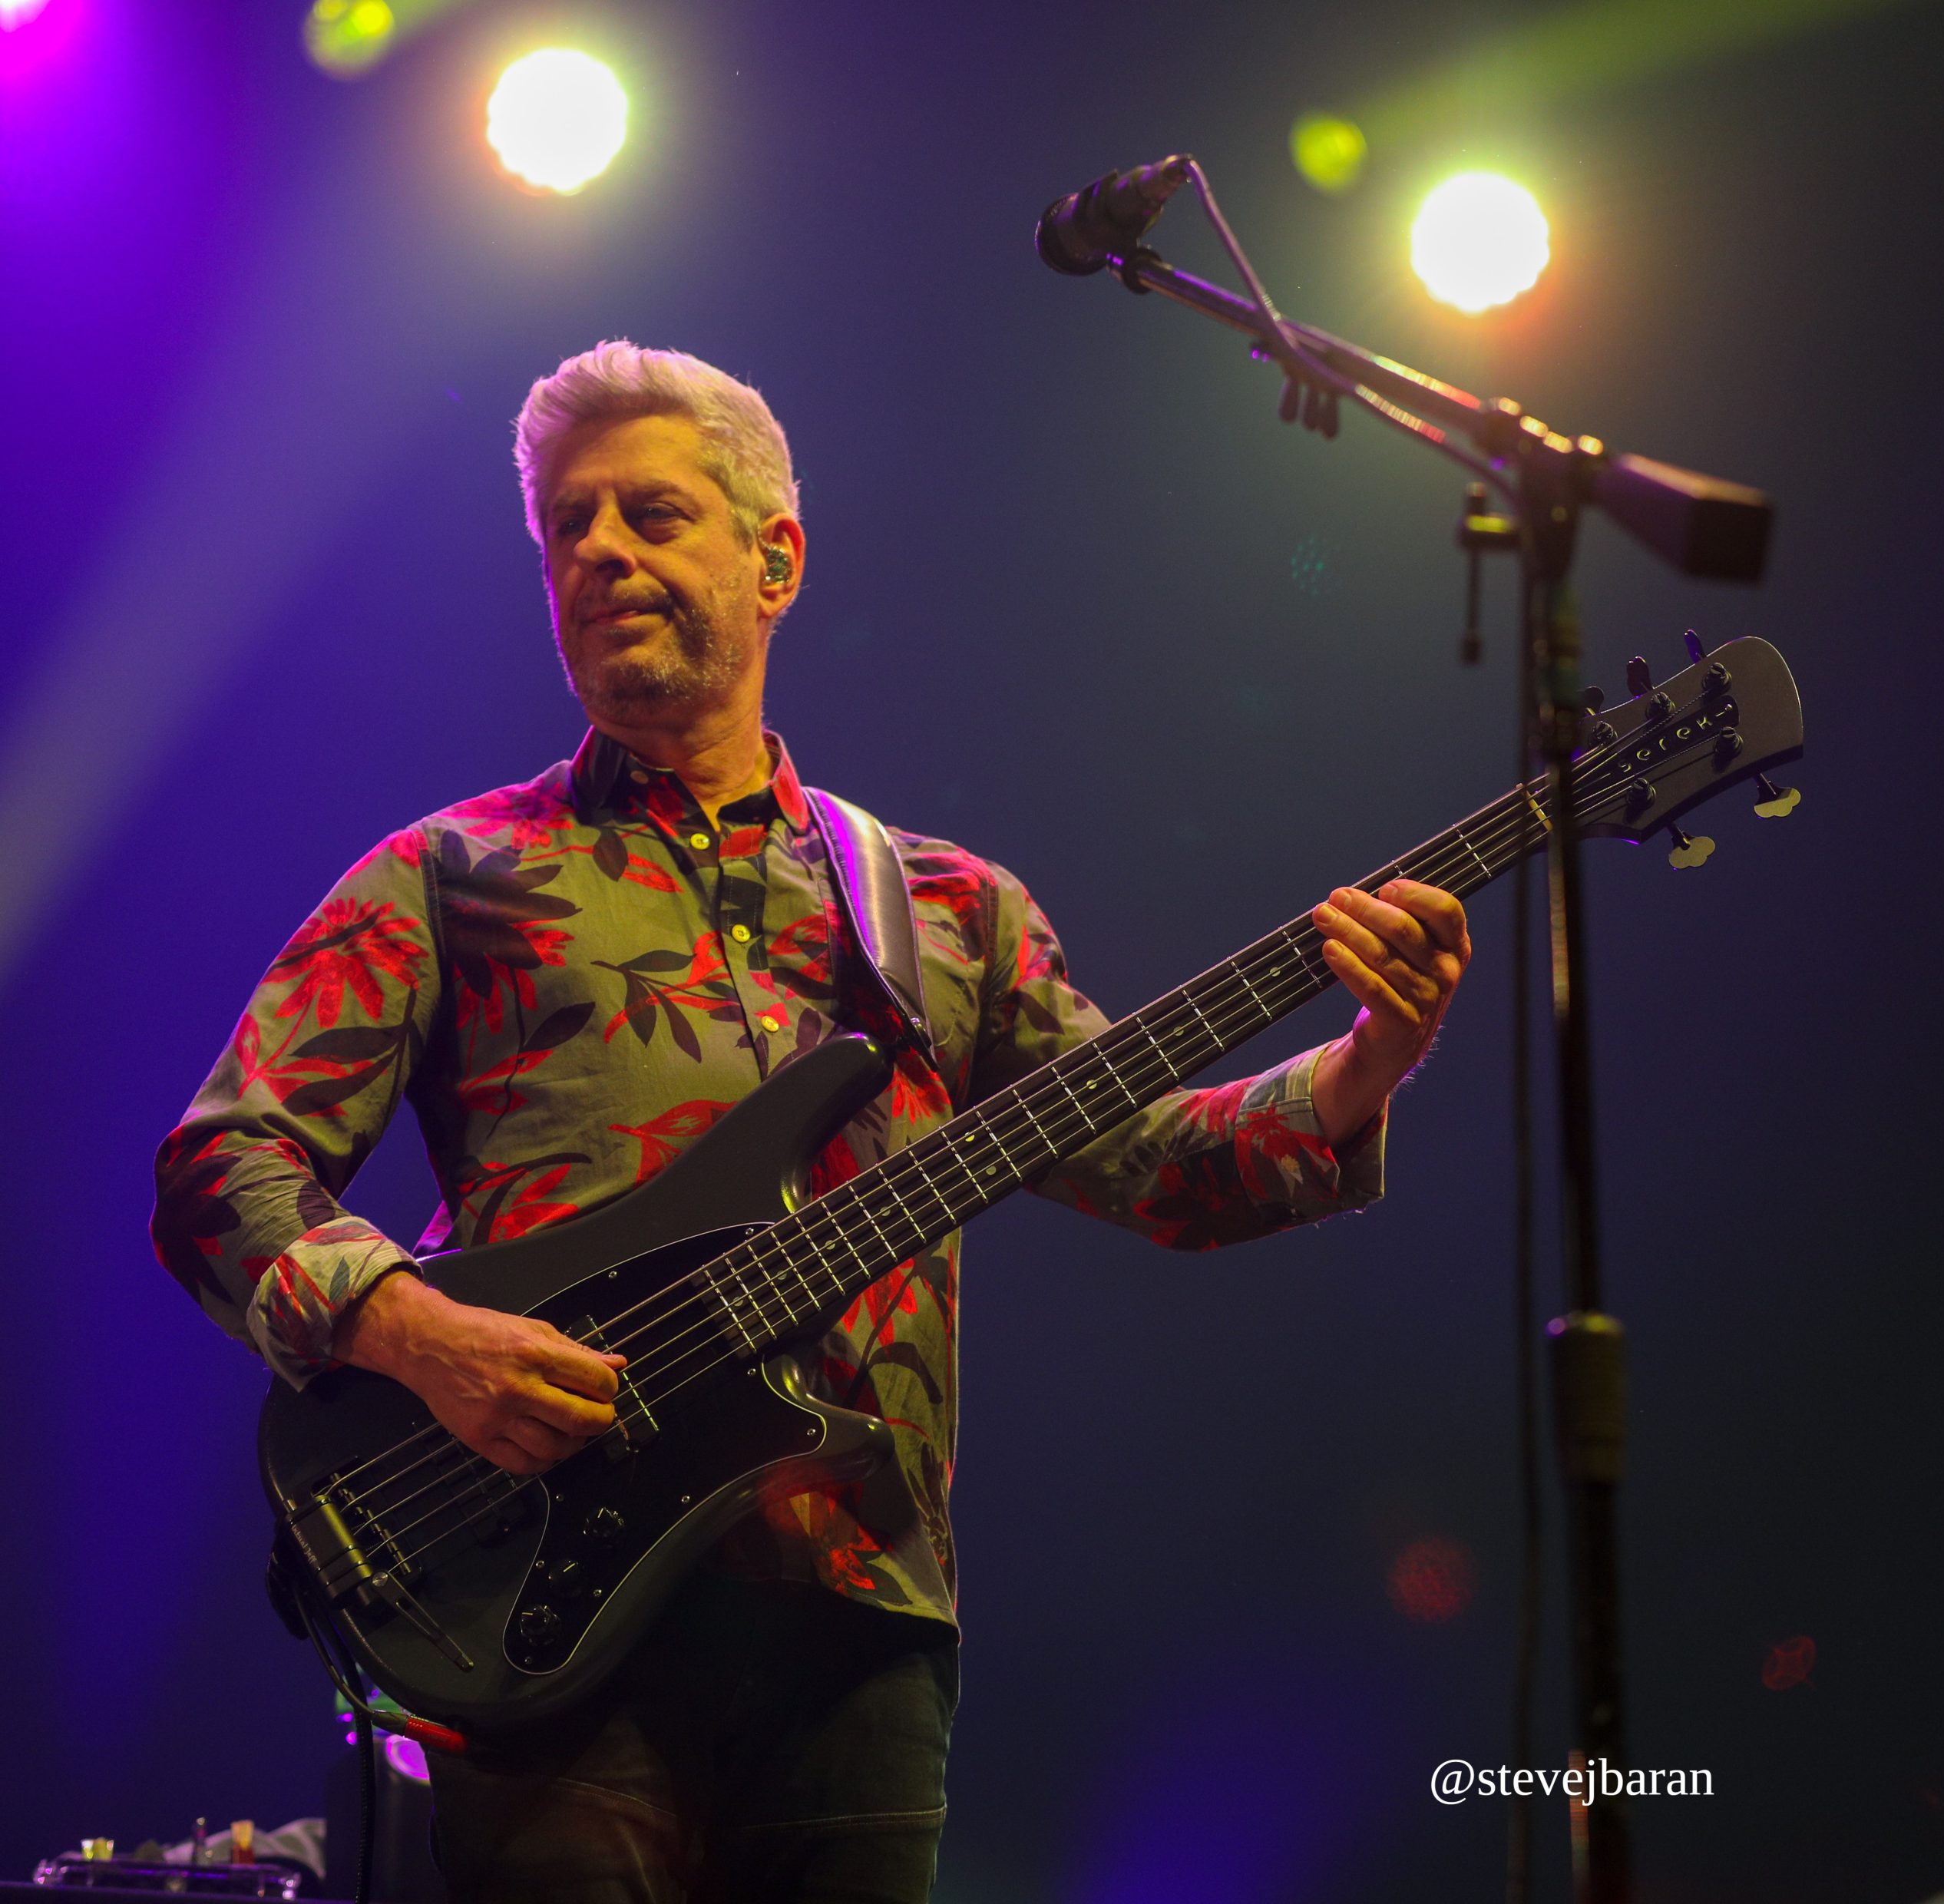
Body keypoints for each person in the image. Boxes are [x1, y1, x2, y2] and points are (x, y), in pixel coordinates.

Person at [151, 342, 1470, 1903]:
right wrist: (424, 1338)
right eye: (566, 526)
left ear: (773, 557)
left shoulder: (946, 910)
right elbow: (220, 1167)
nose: (596, 553)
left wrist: (1362, 1065)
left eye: (648, 513)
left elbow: (1160, 1170)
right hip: (538, 1614)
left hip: (858, 1613)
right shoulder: (451, 874)